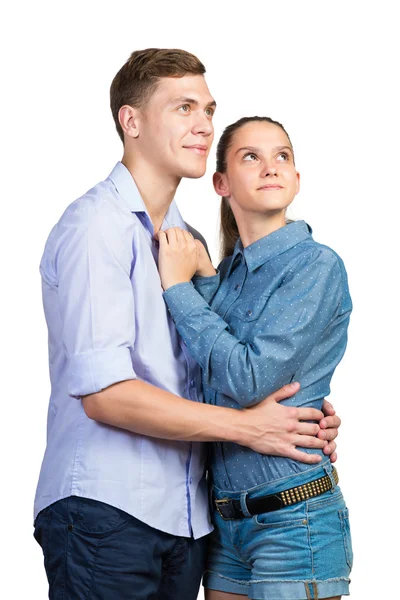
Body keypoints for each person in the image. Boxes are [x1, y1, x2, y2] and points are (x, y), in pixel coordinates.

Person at [33, 50, 341, 600]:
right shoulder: (94, 228)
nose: (203, 124)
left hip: (191, 521)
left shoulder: (189, 244)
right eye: (183, 108)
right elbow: (106, 396)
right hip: (107, 510)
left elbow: (230, 367)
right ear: (131, 122)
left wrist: (305, 413)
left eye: (207, 108)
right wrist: (251, 428)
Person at [159, 116, 353, 600]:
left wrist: (179, 289)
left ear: (297, 178)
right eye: (252, 156)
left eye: (282, 156)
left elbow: (248, 380)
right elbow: (204, 376)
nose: (271, 167)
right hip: (226, 524)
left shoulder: (316, 264)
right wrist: (205, 282)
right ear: (221, 182)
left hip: (295, 520)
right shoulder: (227, 275)